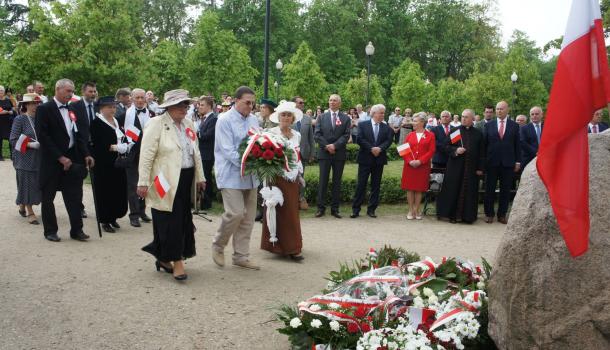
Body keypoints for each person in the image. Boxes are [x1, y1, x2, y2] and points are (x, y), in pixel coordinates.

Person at [137, 89, 205, 281]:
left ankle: (164, 256)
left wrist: (201, 177)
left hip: (185, 178)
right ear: (170, 106)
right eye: (181, 104)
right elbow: (146, 155)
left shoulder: (189, 124)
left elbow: (195, 153)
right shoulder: (156, 124)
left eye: (186, 104)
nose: (185, 108)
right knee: (168, 220)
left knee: (182, 219)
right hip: (164, 180)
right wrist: (143, 182)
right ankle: (177, 261)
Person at [36, 79, 94, 242]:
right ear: (58, 89)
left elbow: (78, 135)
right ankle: (50, 231)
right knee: (48, 198)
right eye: (68, 91)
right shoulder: (44, 109)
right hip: (52, 161)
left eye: (72, 91)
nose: (71, 94)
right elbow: (43, 137)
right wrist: (60, 157)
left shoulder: (71, 109)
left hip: (72, 160)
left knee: (74, 197)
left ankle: (77, 230)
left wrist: (86, 154)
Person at [213, 86, 261, 270]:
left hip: (251, 176)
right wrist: (248, 163)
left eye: (252, 103)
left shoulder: (254, 119)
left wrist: (263, 161)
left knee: (248, 217)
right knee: (235, 212)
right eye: (247, 102)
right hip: (231, 174)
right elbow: (227, 150)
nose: (250, 106)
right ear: (236, 100)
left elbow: (258, 143)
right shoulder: (224, 120)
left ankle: (241, 255)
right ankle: (218, 244)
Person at [260, 101, 304, 261]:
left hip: (292, 179)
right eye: (283, 114)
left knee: (291, 211)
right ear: (278, 117)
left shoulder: (297, 135)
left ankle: (293, 246)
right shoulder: (270, 133)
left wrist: (300, 174)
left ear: (292, 118)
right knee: (277, 210)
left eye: (288, 115)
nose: (286, 117)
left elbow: (297, 157)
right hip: (276, 178)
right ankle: (277, 246)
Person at [436, 109, 484, 224]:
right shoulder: (455, 131)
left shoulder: (478, 133)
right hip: (455, 167)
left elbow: (482, 153)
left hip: (471, 169)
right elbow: (444, 146)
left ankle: (468, 217)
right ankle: (452, 215)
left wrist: (480, 168)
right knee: (453, 190)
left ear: (472, 119)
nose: (463, 118)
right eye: (462, 116)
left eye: (466, 117)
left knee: (469, 192)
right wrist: (456, 150)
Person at [90, 96, 129, 233]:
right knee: (105, 191)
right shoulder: (96, 123)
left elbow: (122, 137)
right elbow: (98, 144)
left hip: (117, 162)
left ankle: (113, 217)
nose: (113, 109)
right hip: (103, 163)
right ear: (102, 108)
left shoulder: (117, 121)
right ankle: (105, 219)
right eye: (109, 107)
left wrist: (124, 145)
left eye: (114, 106)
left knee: (117, 189)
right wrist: (114, 147)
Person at [350, 104, 392, 218]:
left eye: (384, 113)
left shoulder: (386, 127)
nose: (383, 115)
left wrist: (380, 149)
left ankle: (371, 209)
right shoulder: (363, 125)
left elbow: (388, 141)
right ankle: (355, 209)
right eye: (381, 113)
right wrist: (371, 148)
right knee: (361, 184)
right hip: (365, 159)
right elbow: (360, 139)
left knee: (376, 185)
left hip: (379, 160)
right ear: (373, 113)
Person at [483, 101, 521, 224]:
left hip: (508, 163)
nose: (499, 111)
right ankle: (489, 214)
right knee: (489, 189)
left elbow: (517, 145)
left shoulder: (514, 126)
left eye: (501, 109)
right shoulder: (489, 125)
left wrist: (518, 162)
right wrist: (483, 162)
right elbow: (484, 145)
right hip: (491, 162)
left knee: (505, 190)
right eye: (497, 109)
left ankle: (502, 214)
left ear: (507, 110)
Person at [314, 94, 351, 218]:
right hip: (324, 154)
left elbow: (346, 135)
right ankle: (320, 208)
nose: (332, 102)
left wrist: (335, 146)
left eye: (335, 100)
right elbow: (317, 134)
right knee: (323, 181)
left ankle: (335, 209)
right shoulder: (321, 117)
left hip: (338, 154)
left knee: (337, 182)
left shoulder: (345, 118)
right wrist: (327, 146)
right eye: (330, 100)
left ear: (339, 103)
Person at [121, 88, 153, 227]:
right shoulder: (125, 114)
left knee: (145, 183)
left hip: (147, 154)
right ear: (132, 99)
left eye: (142, 97)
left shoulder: (151, 113)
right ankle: (133, 215)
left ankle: (142, 211)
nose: (140, 100)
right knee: (133, 185)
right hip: (132, 155)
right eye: (137, 98)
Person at [10, 93, 42, 224]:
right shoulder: (20, 119)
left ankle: (22, 204)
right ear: (26, 105)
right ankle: (30, 212)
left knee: (36, 183)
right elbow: (13, 139)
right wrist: (29, 144)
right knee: (27, 183)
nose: (35, 106)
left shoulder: (41, 119)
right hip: (24, 157)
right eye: (33, 104)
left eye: (37, 103)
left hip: (39, 157)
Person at [400, 113, 436, 220]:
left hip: (422, 166)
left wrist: (420, 161)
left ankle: (417, 209)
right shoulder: (409, 135)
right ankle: (411, 210)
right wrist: (410, 161)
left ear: (422, 122)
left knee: (419, 189)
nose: (413, 123)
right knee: (410, 188)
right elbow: (403, 150)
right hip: (409, 166)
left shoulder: (430, 135)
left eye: (415, 121)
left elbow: (431, 151)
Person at [292, 96, 314, 210]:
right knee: (291, 177)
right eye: (300, 102)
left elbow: (311, 138)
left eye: (303, 102)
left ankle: (300, 199)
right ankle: (291, 200)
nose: (302, 104)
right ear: (294, 104)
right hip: (290, 154)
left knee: (301, 178)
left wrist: (312, 153)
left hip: (304, 153)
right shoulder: (289, 117)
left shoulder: (307, 118)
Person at [197, 95, 217, 210]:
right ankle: (201, 200)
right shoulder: (204, 118)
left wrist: (196, 133)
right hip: (202, 153)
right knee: (202, 177)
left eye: (202, 105)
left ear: (209, 106)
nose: (199, 107)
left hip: (208, 154)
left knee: (206, 178)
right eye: (199, 105)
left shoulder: (213, 118)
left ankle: (207, 202)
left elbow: (208, 135)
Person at [0, 85, 16, 161]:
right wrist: (2, 112)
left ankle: (12, 155)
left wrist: (10, 111)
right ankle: (0, 156)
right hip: (0, 123)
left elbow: (13, 110)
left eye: (1, 91)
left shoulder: (8, 100)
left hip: (8, 122)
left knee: (10, 139)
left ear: (4, 92)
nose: (0, 92)